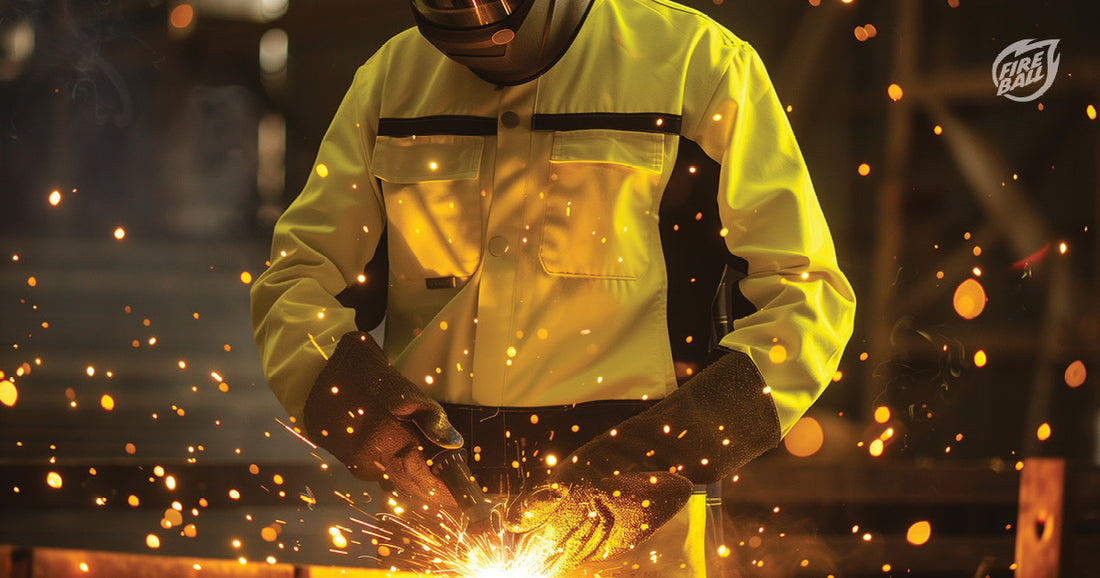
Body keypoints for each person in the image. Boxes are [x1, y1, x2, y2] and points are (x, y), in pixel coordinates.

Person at [250, 0, 856, 574]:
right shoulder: (392, 80)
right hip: (437, 526)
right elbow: (297, 283)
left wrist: (646, 468)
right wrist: (372, 421)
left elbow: (808, 296)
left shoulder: (696, 65)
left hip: (639, 533)